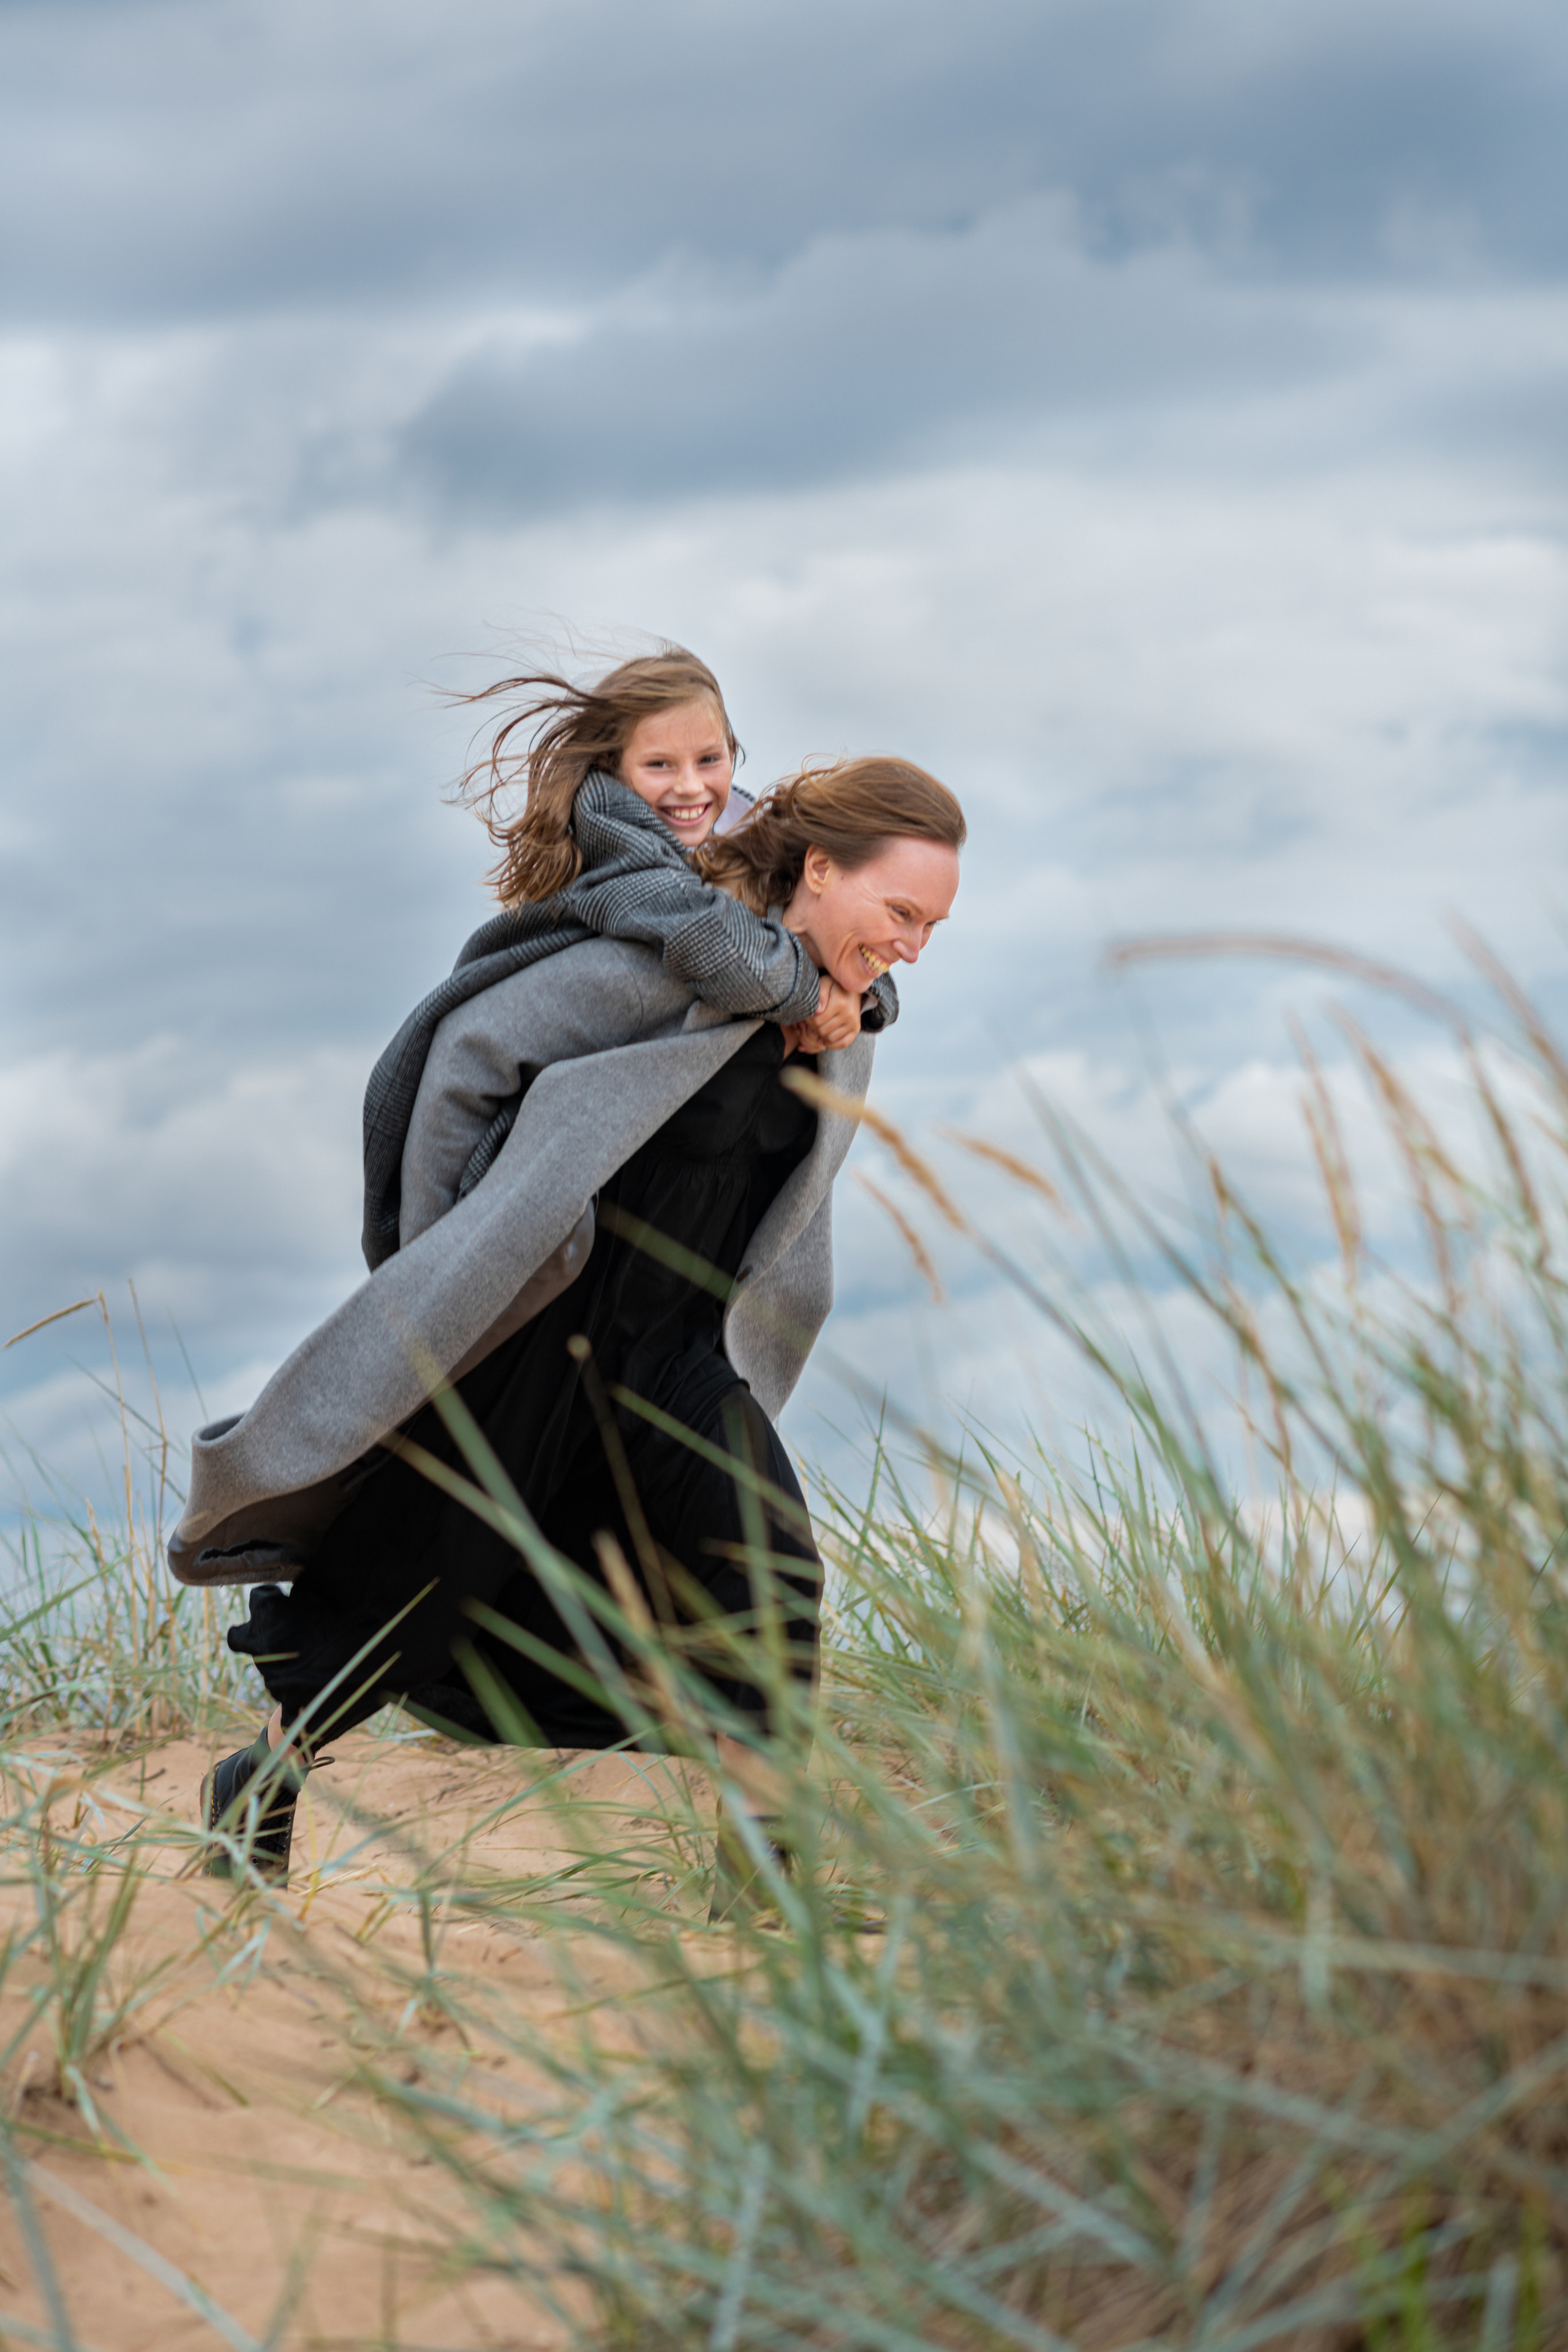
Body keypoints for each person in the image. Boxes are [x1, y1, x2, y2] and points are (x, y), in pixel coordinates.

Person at [176, 651, 965, 1891]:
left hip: (678, 1359)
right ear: (821, 870)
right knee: (410, 1581)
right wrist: (445, 1250)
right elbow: (449, 1061)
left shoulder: (832, 1007)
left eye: (931, 926)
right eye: (901, 915)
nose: (913, 947)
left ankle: (766, 1881)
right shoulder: (657, 964)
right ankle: (260, 1777)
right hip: (543, 1330)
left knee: (767, 1578)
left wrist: (848, 996)